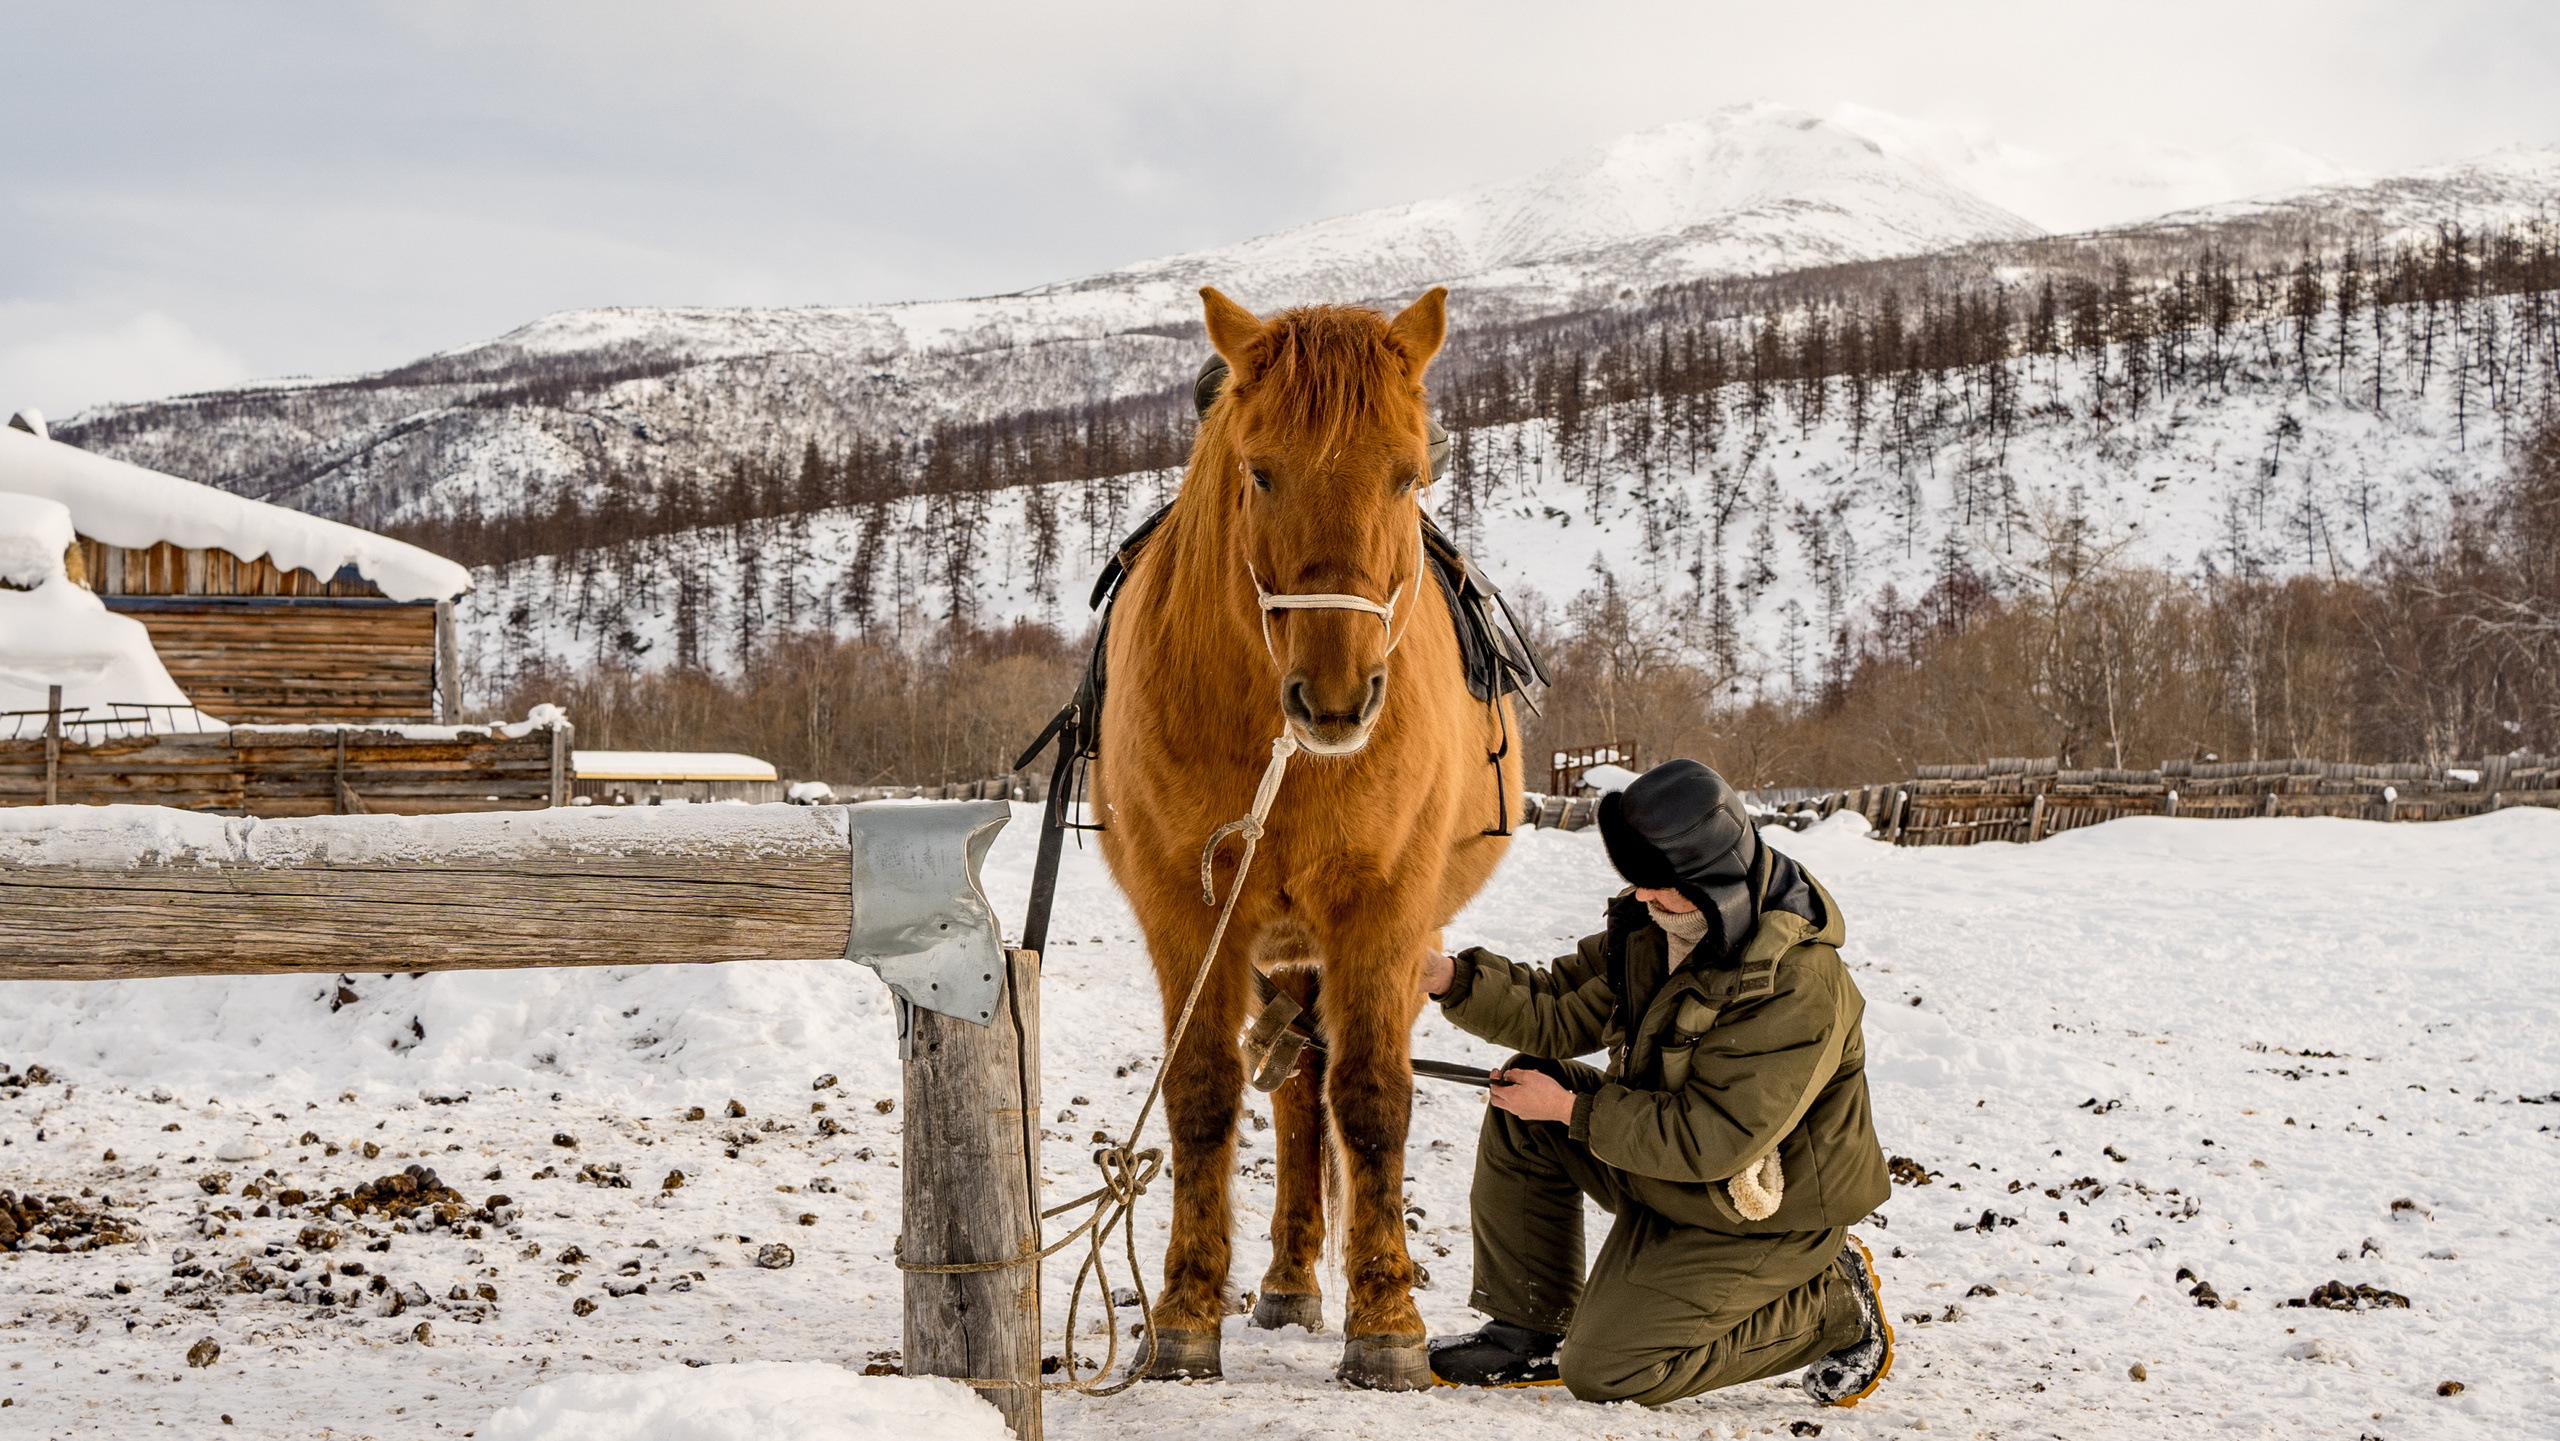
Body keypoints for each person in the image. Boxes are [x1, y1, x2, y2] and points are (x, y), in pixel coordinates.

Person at [1419, 759, 1895, 1407]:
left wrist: (1571, 1109)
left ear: (1712, 879)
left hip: (1758, 1212)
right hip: (1667, 1174)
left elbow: (1716, 1136)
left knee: (1607, 1370)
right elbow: (1559, 1003)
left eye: (1657, 883)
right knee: (1526, 1098)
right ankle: (1530, 1326)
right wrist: (1446, 976)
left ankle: (1832, 1305)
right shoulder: (1657, 927)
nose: (1641, 895)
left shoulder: (1795, 982)